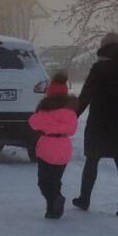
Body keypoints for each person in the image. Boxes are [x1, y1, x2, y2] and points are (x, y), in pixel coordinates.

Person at [72, 32, 118, 217]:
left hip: (99, 123)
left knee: (92, 161)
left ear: (104, 48)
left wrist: (72, 115)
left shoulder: (98, 68)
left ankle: (84, 199)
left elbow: (86, 95)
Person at [27, 71, 79, 219]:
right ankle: (52, 210)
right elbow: (72, 129)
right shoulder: (70, 112)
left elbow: (33, 122)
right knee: (55, 179)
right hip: (64, 148)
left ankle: (55, 200)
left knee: (43, 181)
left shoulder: (45, 111)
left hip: (47, 147)